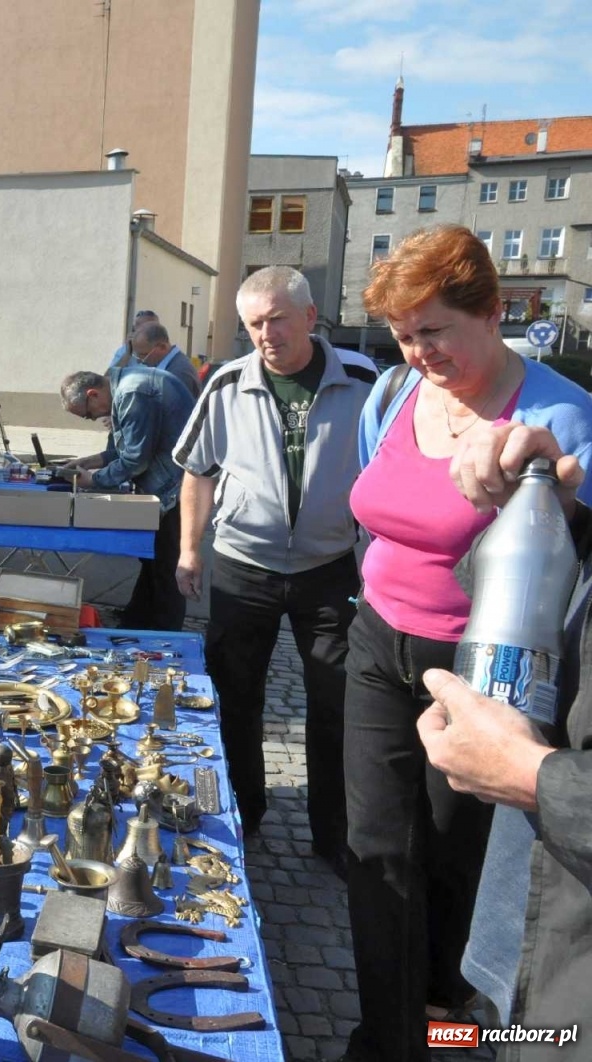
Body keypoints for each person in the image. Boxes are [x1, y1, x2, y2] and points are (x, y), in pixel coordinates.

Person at [339, 226, 592, 1061]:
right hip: (378, 642)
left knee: (455, 873)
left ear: (491, 312)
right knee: (377, 853)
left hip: (483, 676)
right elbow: (377, 502)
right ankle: (384, 1039)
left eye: (434, 331)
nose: (417, 352)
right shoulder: (392, 395)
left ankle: (445, 1034)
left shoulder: (558, 415)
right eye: (404, 336)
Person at [172, 265, 377, 878]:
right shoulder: (227, 384)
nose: (266, 333)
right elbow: (197, 471)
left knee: (335, 701)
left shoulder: (366, 381)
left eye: (277, 319)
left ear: (311, 318)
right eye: (254, 324)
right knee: (235, 695)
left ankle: (334, 834)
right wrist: (189, 549)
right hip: (244, 567)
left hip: (330, 567)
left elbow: (391, 468)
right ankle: (245, 811)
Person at [420, 423, 591, 1060]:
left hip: (577, 989)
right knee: (503, 1033)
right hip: (536, 913)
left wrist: (534, 776)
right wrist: (559, 519)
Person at [59, 364, 194, 631]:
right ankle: (138, 619)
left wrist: (94, 480)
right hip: (167, 484)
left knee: (166, 564)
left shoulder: (133, 392)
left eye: (87, 415)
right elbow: (125, 448)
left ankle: (165, 634)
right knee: (152, 559)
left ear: (93, 394)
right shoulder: (123, 389)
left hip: (176, 488)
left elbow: (135, 459)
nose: (93, 419)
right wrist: (91, 460)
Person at [130, 320, 201, 398]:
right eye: (137, 355)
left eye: (144, 355)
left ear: (162, 347)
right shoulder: (170, 367)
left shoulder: (178, 373)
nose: (139, 360)